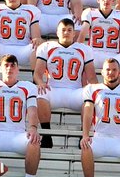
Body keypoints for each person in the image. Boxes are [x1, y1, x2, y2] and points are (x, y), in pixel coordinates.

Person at [35, 18, 95, 149]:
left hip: (75, 91)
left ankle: (83, 134)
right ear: (57, 32)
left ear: (74, 33)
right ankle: (46, 135)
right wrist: (40, 82)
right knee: (40, 95)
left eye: (69, 30)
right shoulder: (47, 47)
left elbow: (91, 76)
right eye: (63, 30)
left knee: (90, 97)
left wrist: (95, 91)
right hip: (54, 88)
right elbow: (37, 74)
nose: (66, 33)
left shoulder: (83, 49)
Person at [81, 0, 120, 68]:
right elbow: (82, 34)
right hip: (94, 55)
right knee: (81, 57)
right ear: (98, 0)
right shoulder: (90, 13)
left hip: (114, 56)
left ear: (113, 1)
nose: (106, 0)